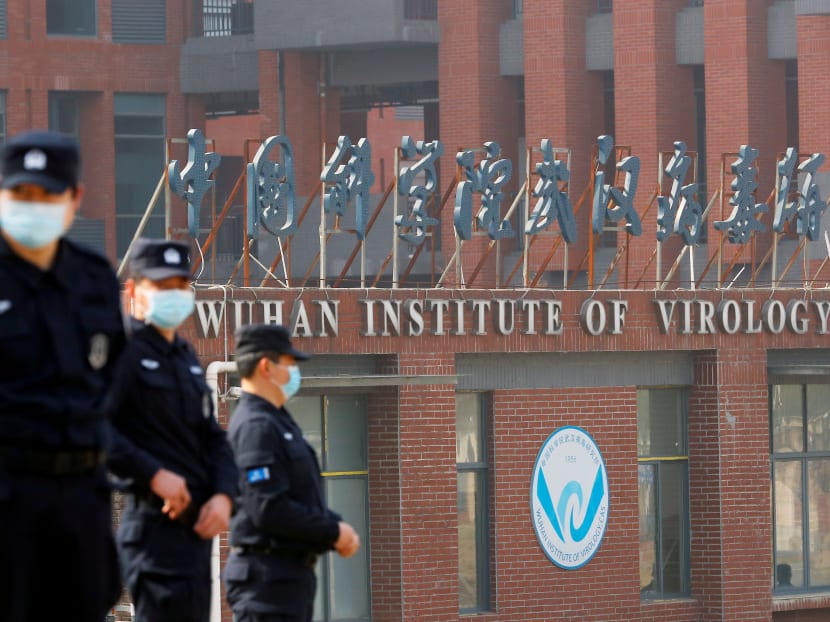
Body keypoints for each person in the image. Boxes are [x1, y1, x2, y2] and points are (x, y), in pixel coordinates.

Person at [0, 129, 125, 621]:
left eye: (48, 194)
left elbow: (111, 383)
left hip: (80, 499)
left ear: (74, 199)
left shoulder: (94, 279)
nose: (34, 206)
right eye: (20, 194)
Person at [107, 238, 238, 622]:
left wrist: (224, 496)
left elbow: (213, 438)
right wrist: (154, 475)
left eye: (181, 285)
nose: (174, 294)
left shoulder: (186, 358)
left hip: (194, 535)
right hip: (152, 531)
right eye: (162, 286)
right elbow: (95, 430)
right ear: (133, 290)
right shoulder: (121, 351)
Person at [224, 324, 361, 622]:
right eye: (289, 364)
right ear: (266, 366)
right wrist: (333, 532)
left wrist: (334, 526)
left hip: (286, 578)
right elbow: (267, 508)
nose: (294, 372)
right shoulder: (255, 426)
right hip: (267, 580)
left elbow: (300, 494)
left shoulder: (277, 421)